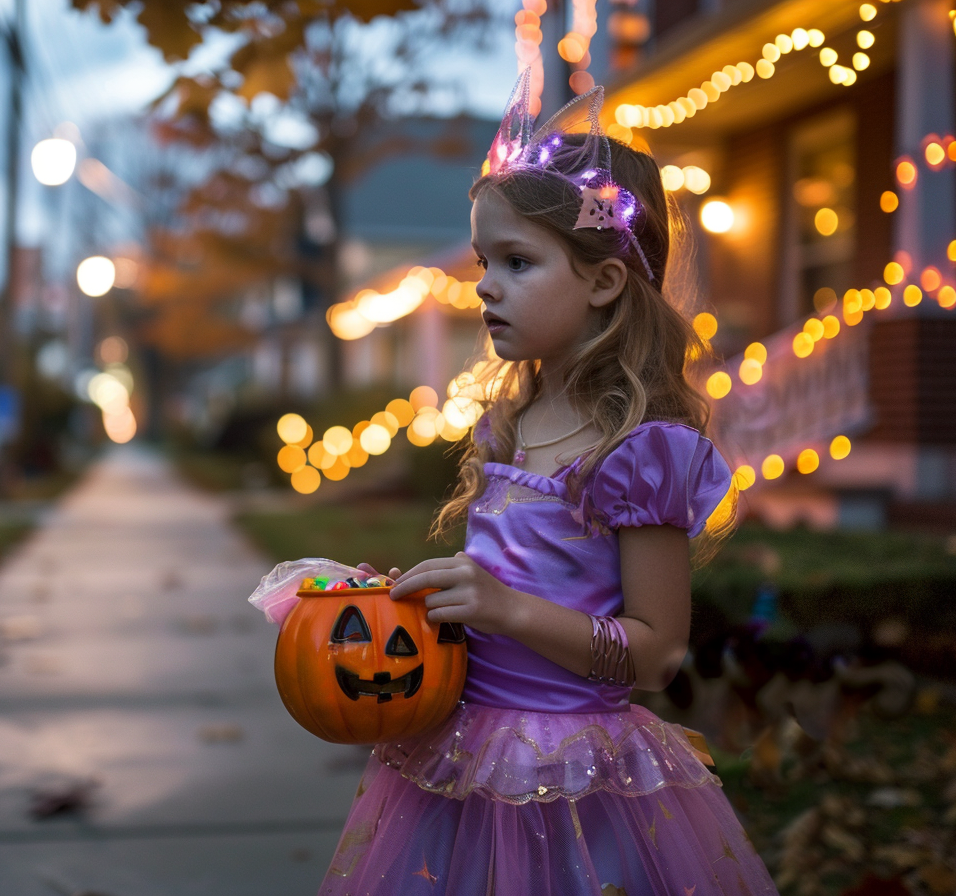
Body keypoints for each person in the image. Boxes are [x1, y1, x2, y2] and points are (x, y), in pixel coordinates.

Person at [319, 75, 778, 896]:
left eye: (518, 262)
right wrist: (425, 614)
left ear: (604, 281)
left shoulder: (640, 450)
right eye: (485, 260)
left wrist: (507, 610)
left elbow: (659, 653)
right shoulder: (508, 426)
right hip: (462, 756)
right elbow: (490, 603)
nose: (485, 284)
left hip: (578, 781)